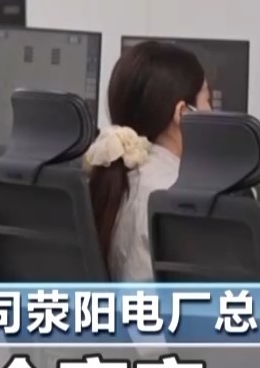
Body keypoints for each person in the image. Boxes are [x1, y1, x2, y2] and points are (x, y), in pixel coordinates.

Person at [83, 40, 211, 281]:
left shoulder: (109, 179)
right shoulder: (178, 198)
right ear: (182, 113)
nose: (211, 112)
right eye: (207, 100)